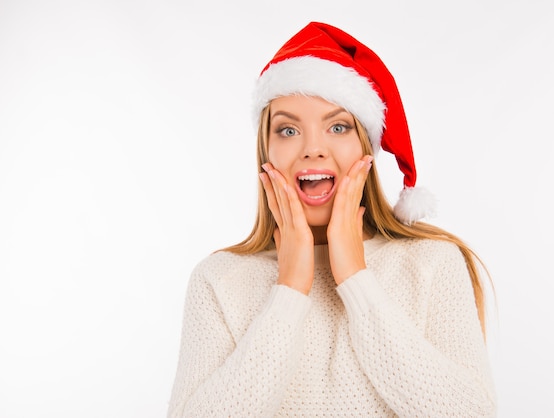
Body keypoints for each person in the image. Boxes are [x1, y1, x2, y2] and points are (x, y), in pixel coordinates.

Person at [167, 21, 496, 417]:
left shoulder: (430, 264)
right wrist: (289, 289)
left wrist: (356, 277)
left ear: (365, 146)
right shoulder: (218, 279)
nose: (313, 150)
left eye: (337, 126)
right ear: (266, 153)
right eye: (288, 129)